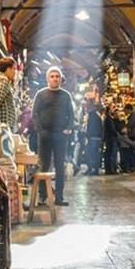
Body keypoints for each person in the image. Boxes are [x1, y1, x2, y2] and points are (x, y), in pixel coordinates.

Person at [31, 66, 75, 205]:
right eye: (52, 76)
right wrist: (40, 130)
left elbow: (71, 114)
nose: (55, 78)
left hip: (60, 135)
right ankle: (43, 196)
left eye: (57, 76)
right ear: (47, 79)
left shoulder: (66, 95)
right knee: (43, 166)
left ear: (61, 79)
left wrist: (68, 128)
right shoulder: (41, 94)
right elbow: (35, 114)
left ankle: (59, 197)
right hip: (45, 135)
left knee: (59, 166)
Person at [84, 101, 103, 175]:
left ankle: (92, 169)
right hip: (96, 138)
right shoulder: (96, 116)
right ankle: (94, 169)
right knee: (95, 154)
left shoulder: (92, 116)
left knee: (91, 154)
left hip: (93, 138)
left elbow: (91, 127)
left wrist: (88, 135)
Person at [122, 103, 135, 173]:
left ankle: (134, 165)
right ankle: (134, 165)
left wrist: (125, 127)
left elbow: (129, 126)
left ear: (129, 109)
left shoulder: (133, 117)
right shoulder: (132, 116)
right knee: (133, 151)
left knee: (133, 151)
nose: (125, 112)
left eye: (125, 110)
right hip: (132, 135)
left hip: (132, 136)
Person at [103, 106, 119, 175]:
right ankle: (111, 169)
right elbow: (112, 129)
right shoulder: (109, 119)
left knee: (109, 153)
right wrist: (117, 134)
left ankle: (109, 169)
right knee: (112, 154)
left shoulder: (108, 118)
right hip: (111, 138)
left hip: (109, 138)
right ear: (109, 110)